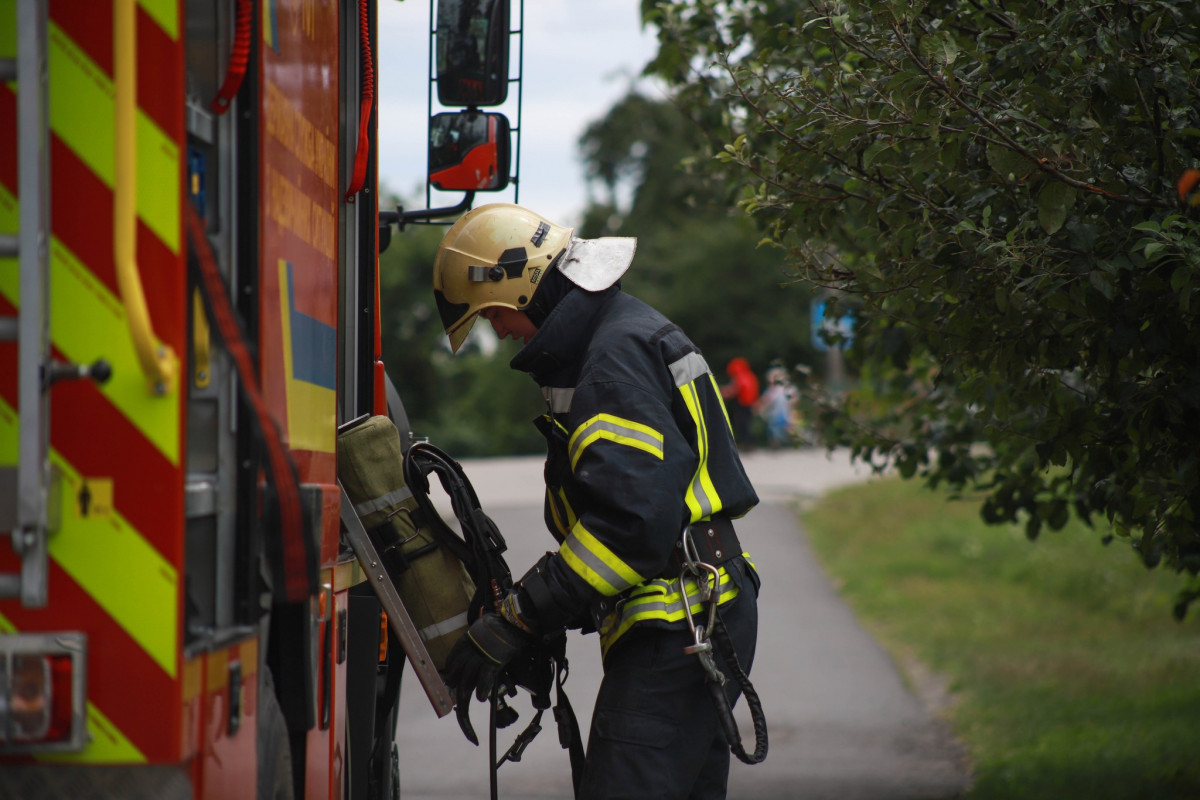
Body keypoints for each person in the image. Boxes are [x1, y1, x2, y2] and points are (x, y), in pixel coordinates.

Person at [432, 203, 761, 799]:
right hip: (693, 617)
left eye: (494, 314)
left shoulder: (610, 366)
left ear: (526, 288)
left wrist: (524, 614)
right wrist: (554, 616)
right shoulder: (617, 338)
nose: (500, 332)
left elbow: (630, 528)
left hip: (675, 629)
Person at [720, 357, 759, 448]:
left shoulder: (740, 377)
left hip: (743, 405)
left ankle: (747, 444)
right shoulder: (750, 376)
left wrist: (721, 392)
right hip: (750, 404)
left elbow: (733, 391)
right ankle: (748, 443)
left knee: (742, 424)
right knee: (746, 424)